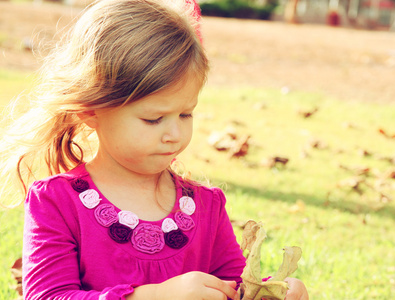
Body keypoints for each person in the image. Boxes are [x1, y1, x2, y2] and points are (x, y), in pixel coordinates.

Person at [0, 0, 309, 299]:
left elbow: (231, 288)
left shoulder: (206, 206)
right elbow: (47, 295)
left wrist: (269, 292)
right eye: (153, 119)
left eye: (186, 114)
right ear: (91, 110)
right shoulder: (57, 202)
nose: (174, 135)